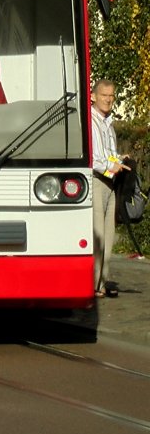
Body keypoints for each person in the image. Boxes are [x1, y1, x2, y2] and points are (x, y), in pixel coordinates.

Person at [91, 79, 128, 297]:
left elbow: (106, 154)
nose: (108, 99)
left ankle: (101, 283)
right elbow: (93, 160)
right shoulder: (90, 122)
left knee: (109, 235)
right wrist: (109, 166)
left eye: (112, 95)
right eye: (104, 95)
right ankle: (93, 284)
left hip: (110, 182)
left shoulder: (108, 123)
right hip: (97, 181)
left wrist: (120, 159)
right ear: (94, 96)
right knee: (98, 236)